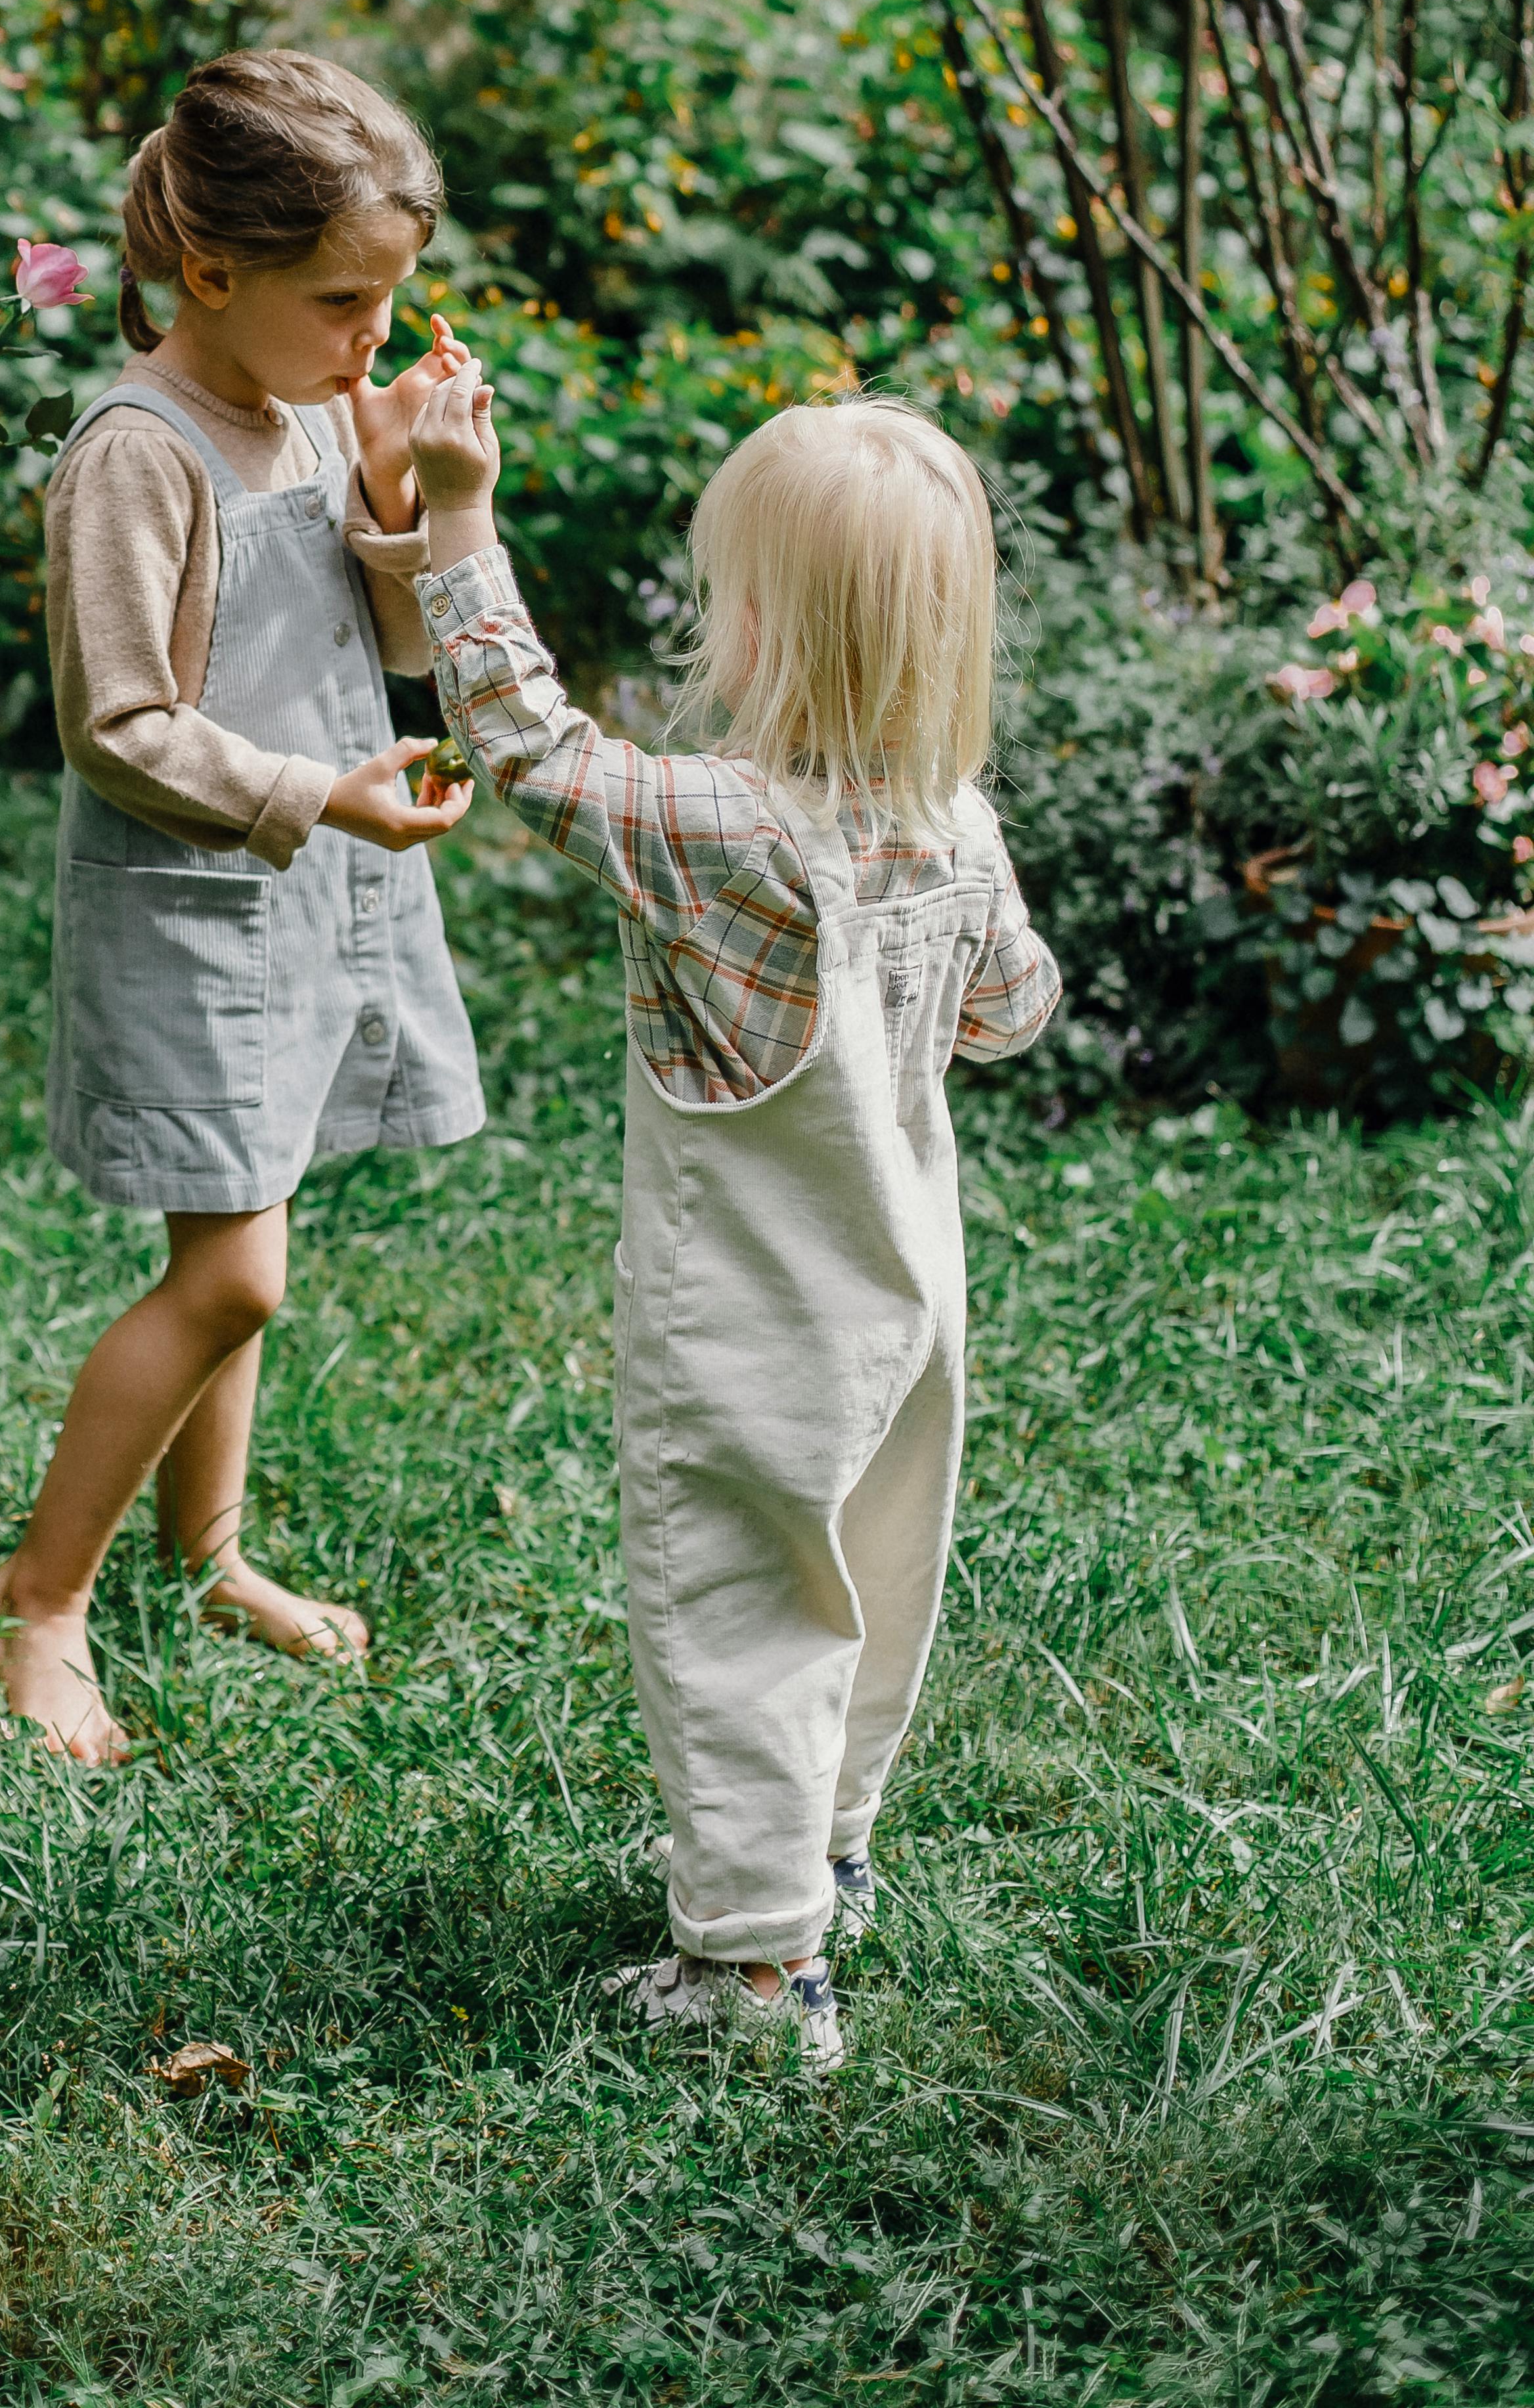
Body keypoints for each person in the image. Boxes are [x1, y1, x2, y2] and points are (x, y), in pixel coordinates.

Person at [408, 370, 1061, 2072]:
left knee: (743, 1603)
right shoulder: (958, 826)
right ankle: (822, 1862)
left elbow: (529, 746)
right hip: (913, 1296)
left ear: (761, 624)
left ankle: (755, 1979)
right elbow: (1009, 1017)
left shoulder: (720, 825)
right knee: (877, 1577)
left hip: (760, 1317)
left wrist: (457, 518)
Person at [0, 49, 487, 1763]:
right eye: (346, 301)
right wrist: (311, 794)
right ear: (212, 275)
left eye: (395, 298)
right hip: (196, 900)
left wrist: (417, 502)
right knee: (239, 1275)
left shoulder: (324, 413)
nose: (374, 339)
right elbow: (116, 724)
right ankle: (38, 1599)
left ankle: (210, 1559)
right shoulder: (141, 451)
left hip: (316, 885)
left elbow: (386, 648)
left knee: (247, 1216)